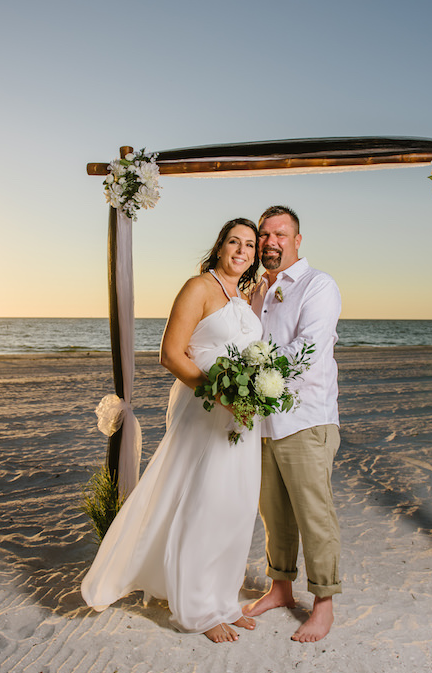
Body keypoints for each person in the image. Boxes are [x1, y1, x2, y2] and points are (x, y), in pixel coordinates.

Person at [82, 218, 263, 643]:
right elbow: (169, 353)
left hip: (241, 414)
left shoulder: (244, 295)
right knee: (203, 499)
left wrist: (252, 393)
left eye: (250, 245)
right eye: (234, 242)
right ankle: (196, 609)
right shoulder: (198, 287)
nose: (241, 250)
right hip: (204, 406)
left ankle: (222, 599)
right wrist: (219, 394)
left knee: (234, 503)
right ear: (220, 246)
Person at [244, 205, 342, 642]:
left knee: (313, 515)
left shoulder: (318, 285)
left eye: (280, 234)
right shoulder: (258, 290)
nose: (270, 242)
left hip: (307, 420)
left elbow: (308, 349)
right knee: (274, 515)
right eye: (264, 235)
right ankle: (280, 589)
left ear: (297, 240)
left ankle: (323, 604)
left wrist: (251, 371)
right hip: (263, 423)